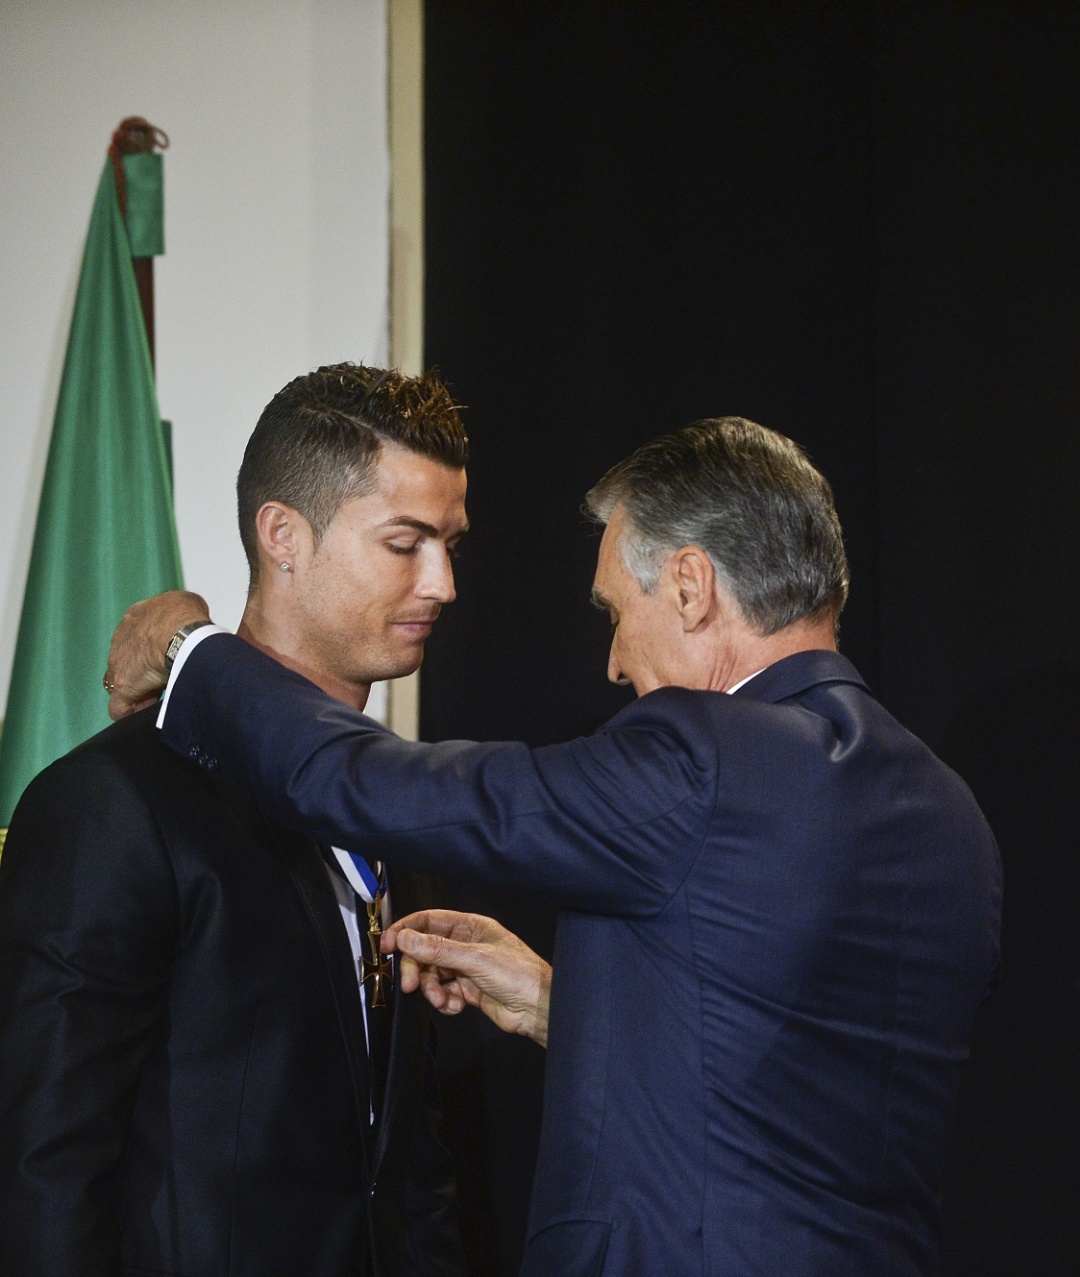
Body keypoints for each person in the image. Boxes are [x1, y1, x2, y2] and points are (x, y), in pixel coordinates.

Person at [105, 417, 1004, 1277]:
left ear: (690, 586)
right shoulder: (948, 813)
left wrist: (193, 652)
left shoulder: (708, 751)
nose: (614, 663)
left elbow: (370, 785)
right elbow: (793, 1071)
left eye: (617, 609)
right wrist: (560, 1002)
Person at [0, 364, 468, 1276]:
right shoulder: (112, 803)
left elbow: (405, 1154)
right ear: (282, 534)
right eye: (406, 542)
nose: (443, 582)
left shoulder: (390, 806)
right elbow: (42, 1165)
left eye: (450, 543)